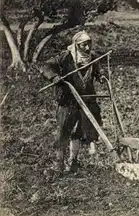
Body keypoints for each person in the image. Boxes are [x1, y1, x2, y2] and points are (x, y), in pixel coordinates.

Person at [41, 30, 107, 173]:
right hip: (68, 100)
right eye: (84, 45)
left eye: (89, 44)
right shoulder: (65, 57)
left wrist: (101, 76)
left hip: (86, 99)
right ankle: (59, 163)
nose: (87, 48)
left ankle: (73, 161)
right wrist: (54, 77)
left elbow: (99, 71)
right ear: (76, 45)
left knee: (79, 132)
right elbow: (46, 66)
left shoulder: (93, 57)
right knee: (64, 131)